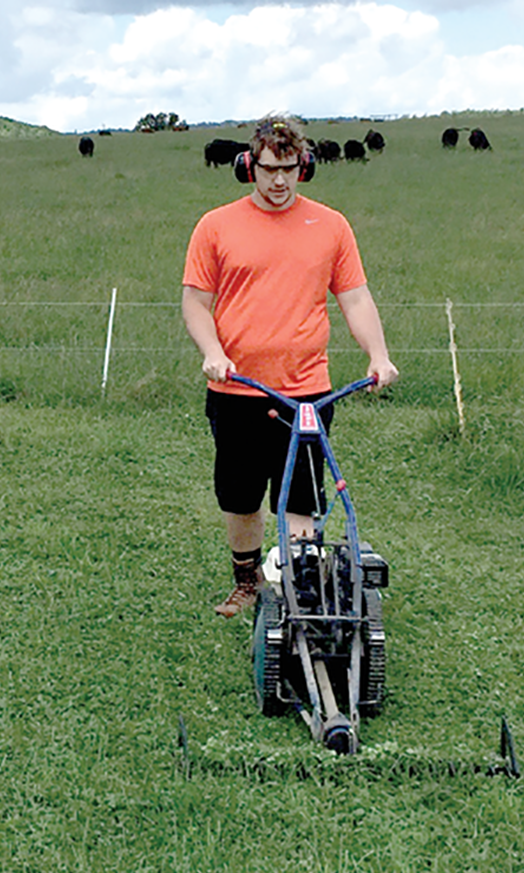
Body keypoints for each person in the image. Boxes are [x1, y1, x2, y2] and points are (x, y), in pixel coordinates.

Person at [181, 113, 399, 619]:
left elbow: (356, 298)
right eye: (268, 169)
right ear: (247, 167)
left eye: (289, 169)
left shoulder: (331, 225)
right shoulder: (216, 226)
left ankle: (295, 591)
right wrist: (213, 352)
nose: (279, 181)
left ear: (306, 167)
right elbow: (195, 302)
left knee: (300, 495)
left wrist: (378, 355)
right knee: (240, 497)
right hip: (237, 388)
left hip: (307, 392)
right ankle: (246, 580)